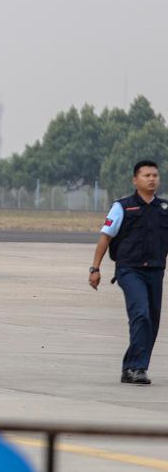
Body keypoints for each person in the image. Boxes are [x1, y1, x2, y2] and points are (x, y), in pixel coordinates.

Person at [89, 159, 168, 384]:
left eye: (155, 175)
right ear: (135, 179)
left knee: (151, 321)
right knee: (140, 314)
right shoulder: (122, 207)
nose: (152, 179)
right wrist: (94, 268)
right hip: (129, 270)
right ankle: (136, 367)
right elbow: (105, 237)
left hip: (155, 271)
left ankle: (132, 367)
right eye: (146, 175)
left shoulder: (164, 209)